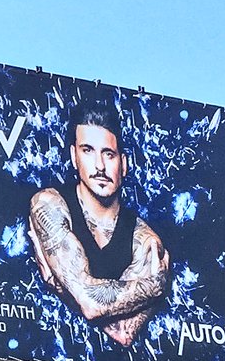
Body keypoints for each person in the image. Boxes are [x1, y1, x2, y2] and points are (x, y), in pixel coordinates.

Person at [27, 102, 170, 347]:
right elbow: (91, 304)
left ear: (123, 164)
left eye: (108, 154)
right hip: (40, 355)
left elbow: (123, 334)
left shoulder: (145, 240)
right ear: (74, 157)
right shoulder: (49, 204)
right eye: (88, 151)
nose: (100, 166)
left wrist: (60, 287)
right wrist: (155, 287)